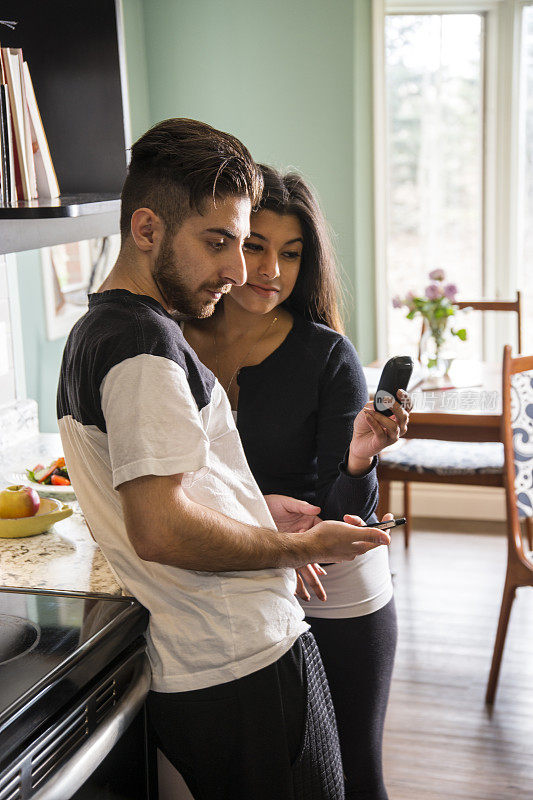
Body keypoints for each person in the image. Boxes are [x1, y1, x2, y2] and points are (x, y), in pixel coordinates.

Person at [56, 119, 392, 800]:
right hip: (241, 660)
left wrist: (247, 506)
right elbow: (159, 527)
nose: (240, 271)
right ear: (147, 230)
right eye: (219, 243)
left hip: (218, 662)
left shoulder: (99, 329)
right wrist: (290, 547)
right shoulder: (145, 347)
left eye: (242, 244)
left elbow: (167, 497)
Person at [183, 165, 410, 800]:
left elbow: (347, 519)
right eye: (255, 246)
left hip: (330, 587)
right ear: (224, 242)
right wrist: (256, 519)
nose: (272, 272)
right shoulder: (173, 342)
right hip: (231, 577)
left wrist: (360, 459)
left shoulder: (327, 355)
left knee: (353, 776)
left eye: (291, 254)